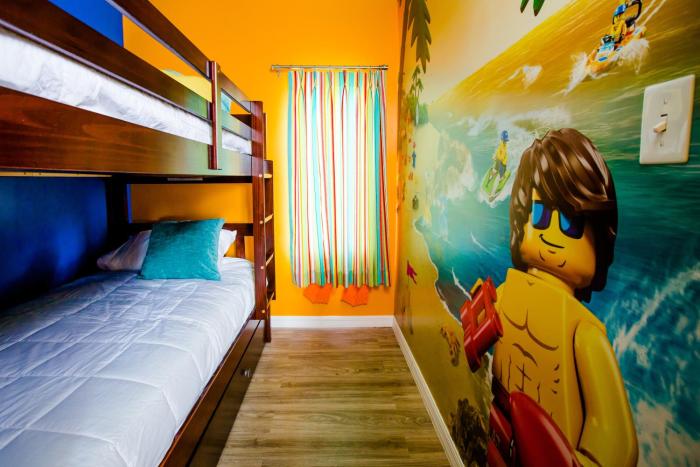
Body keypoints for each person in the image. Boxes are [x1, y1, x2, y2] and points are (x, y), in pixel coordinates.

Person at [461, 129, 638, 466]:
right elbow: (479, 328)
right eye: (541, 215)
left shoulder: (583, 335)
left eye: (570, 223)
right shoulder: (510, 291)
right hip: (500, 430)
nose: (551, 233)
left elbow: (615, 438)